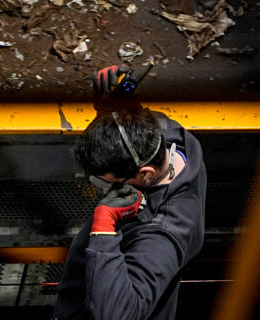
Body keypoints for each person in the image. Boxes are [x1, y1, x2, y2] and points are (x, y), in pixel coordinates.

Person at [53, 65, 206, 320]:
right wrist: (114, 112)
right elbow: (138, 126)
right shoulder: (172, 136)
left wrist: (103, 227)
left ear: (145, 174)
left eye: (105, 182)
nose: (99, 187)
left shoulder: (161, 236)